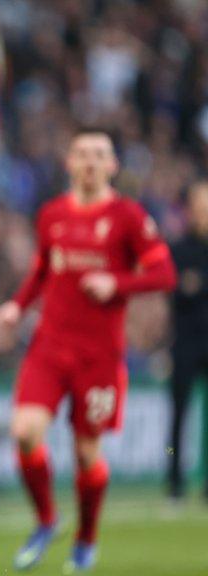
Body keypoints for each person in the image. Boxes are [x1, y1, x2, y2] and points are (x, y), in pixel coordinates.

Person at [0, 129, 177, 572]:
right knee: (24, 432)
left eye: (100, 154)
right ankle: (47, 520)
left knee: (86, 454)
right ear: (69, 163)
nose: (90, 162)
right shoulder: (52, 214)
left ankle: (86, 538)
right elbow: (42, 268)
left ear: (113, 165)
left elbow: (164, 273)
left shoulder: (128, 217)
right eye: (82, 154)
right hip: (50, 347)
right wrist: (17, 306)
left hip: (98, 356)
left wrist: (118, 282)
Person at [166, 182, 208, 502]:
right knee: (179, 413)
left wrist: (196, 284)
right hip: (185, 342)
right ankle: (175, 482)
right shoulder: (178, 249)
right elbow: (174, 289)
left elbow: (191, 287)